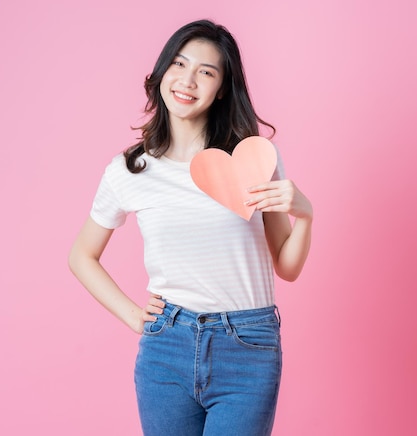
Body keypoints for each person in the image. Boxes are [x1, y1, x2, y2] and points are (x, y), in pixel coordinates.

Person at [68, 19, 313, 436]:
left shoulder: (253, 158)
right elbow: (81, 256)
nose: (188, 80)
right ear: (162, 72)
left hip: (248, 344)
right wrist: (132, 315)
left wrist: (304, 214)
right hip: (167, 345)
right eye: (179, 64)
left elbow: (286, 268)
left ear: (221, 87)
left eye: (206, 71)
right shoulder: (130, 170)